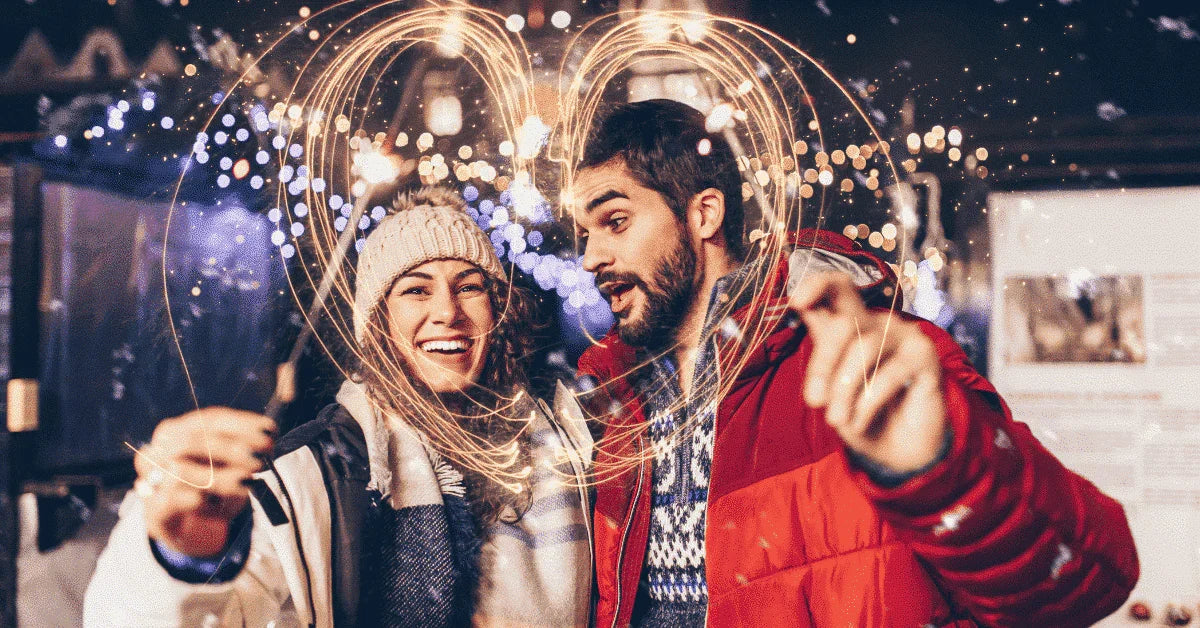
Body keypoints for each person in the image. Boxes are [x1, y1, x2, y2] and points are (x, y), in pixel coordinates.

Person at [568, 99, 1139, 627]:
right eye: (585, 233)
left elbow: (1085, 583)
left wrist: (942, 470)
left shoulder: (859, 360)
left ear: (704, 215)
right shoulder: (612, 411)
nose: (592, 257)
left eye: (615, 222)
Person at [84, 187, 594, 627]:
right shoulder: (316, 471)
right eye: (416, 290)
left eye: (469, 288)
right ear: (376, 323)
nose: (447, 312)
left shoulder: (567, 433)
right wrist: (178, 557)